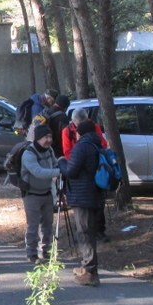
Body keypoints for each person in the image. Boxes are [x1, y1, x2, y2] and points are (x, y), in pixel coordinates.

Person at [60, 118, 102, 287]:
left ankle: (89, 271)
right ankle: (90, 267)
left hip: (82, 194)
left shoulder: (81, 147)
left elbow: (71, 171)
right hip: (94, 193)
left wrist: (62, 162)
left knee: (84, 232)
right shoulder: (96, 144)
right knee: (89, 231)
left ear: (80, 132)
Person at [20, 123, 62, 264]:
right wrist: (60, 172)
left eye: (50, 136)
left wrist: (62, 165)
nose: (49, 139)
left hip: (46, 193)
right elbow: (38, 172)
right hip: (31, 194)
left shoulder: (49, 150)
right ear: (37, 138)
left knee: (47, 225)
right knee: (32, 225)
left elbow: (55, 164)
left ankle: (46, 252)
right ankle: (31, 253)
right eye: (46, 137)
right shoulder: (28, 154)